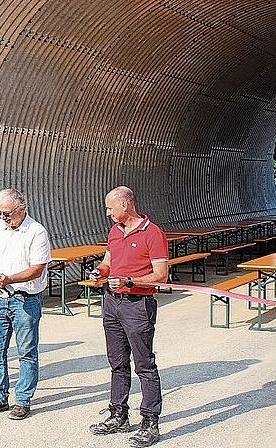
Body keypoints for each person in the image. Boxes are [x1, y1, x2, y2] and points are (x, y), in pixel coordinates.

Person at [89, 186, 168, 448]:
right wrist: (99, 272)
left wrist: (130, 281)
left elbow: (161, 275)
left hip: (138, 304)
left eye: (110, 207)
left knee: (144, 364)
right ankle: (118, 413)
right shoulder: (114, 231)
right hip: (112, 303)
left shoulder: (153, 233)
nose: (108, 212)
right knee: (117, 362)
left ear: (125, 204)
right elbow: (108, 261)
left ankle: (149, 421)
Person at [0, 188, 51, 420]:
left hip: (24, 299)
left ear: (22, 209)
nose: (3, 217)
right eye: (0, 213)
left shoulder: (36, 232)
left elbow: (37, 269)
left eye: (7, 213)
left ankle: (23, 400)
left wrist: (9, 278)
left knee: (27, 351)